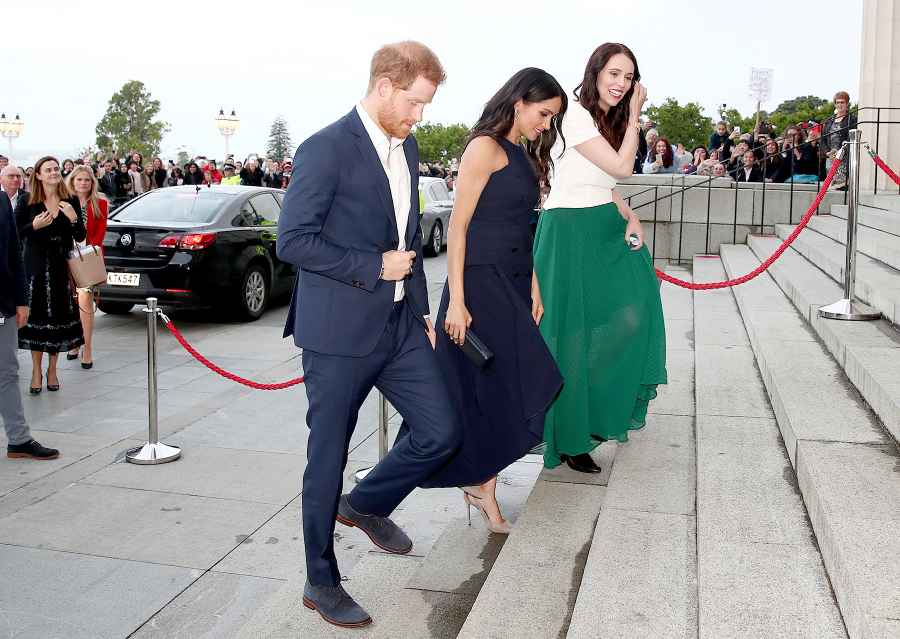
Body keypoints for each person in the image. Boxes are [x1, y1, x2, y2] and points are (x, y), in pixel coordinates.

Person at [276, 41, 459, 629]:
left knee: (441, 431)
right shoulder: (325, 149)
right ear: (384, 85)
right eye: (413, 103)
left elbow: (408, 237)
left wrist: (423, 311)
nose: (418, 116)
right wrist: (370, 266)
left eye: (424, 106)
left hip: (401, 325)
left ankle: (367, 503)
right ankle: (320, 580)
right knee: (326, 457)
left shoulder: (406, 149)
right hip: (336, 334)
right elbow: (293, 240)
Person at [425, 68, 566, 533]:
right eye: (544, 113)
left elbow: (524, 227)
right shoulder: (483, 147)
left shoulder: (522, 154)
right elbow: (459, 228)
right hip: (480, 284)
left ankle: (483, 485)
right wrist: (456, 302)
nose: (546, 124)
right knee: (516, 382)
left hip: (512, 280)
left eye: (552, 118)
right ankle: (479, 484)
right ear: (520, 100)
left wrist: (536, 286)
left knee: (505, 388)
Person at [534, 42, 667, 472]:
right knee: (570, 335)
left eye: (628, 78)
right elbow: (622, 166)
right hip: (568, 231)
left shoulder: (601, 121)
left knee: (635, 309)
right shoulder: (573, 113)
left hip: (603, 224)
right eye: (614, 74)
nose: (621, 84)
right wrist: (634, 118)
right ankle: (571, 437)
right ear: (595, 73)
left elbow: (605, 180)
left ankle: (592, 414)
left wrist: (629, 214)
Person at [14, 156, 85, 394]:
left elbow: (80, 236)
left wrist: (74, 218)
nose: (54, 172)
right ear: (39, 175)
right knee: (37, 322)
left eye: (56, 169)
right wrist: (33, 226)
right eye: (49, 169)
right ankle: (36, 370)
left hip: (60, 267)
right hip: (34, 267)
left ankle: (52, 370)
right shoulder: (27, 200)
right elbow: (15, 232)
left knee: (57, 321)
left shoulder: (70, 199)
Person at [1, 187, 60, 460]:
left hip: (3, 304)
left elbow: (14, 252)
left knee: (8, 373)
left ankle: (19, 439)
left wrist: (22, 299)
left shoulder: (1, 200)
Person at [64, 166, 108, 369]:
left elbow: (99, 234)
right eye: (79, 180)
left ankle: (87, 348)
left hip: (87, 259)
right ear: (72, 181)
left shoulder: (100, 203)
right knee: (69, 304)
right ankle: (74, 342)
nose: (83, 183)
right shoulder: (63, 203)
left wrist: (88, 252)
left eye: (87, 180)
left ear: (92, 183)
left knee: (85, 304)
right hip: (64, 257)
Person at [822, 91, 857, 190]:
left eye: (842, 102)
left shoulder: (852, 119)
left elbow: (851, 138)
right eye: (838, 102)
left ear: (847, 104)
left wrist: (841, 151)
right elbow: (823, 139)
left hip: (844, 156)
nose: (840, 105)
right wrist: (827, 152)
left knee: (841, 187)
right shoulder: (829, 121)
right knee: (830, 185)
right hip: (831, 156)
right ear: (835, 104)